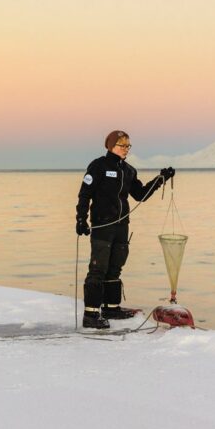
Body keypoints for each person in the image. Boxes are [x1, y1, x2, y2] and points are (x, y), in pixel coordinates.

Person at [75, 130, 175, 329]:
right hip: (102, 225)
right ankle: (91, 314)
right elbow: (85, 194)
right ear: (110, 146)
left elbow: (140, 195)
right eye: (122, 145)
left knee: (115, 267)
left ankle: (112, 307)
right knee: (98, 268)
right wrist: (81, 219)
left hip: (122, 226)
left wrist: (160, 179)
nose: (126, 149)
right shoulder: (98, 166)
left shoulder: (129, 170)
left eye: (128, 145)